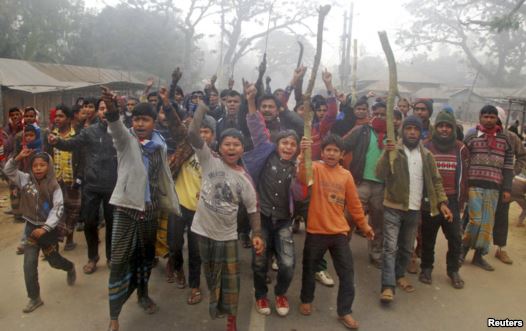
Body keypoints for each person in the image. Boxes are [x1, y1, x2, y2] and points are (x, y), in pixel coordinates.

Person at [101, 88, 181, 331]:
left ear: (154, 122)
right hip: (126, 209)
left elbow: (162, 175)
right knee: (119, 261)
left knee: (146, 258)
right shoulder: (127, 141)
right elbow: (116, 129)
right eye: (136, 119)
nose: (139, 123)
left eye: (144, 119)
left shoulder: (160, 144)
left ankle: (143, 295)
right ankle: (114, 315)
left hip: (152, 209)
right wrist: (114, 111)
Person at [188, 101, 264, 331]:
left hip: (227, 236)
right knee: (211, 277)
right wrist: (202, 108)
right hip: (201, 230)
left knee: (231, 282)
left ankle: (232, 321)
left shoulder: (244, 178)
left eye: (236, 144)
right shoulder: (208, 160)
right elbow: (192, 132)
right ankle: (217, 305)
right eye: (227, 144)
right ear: (219, 147)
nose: (231, 148)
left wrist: (257, 233)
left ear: (243, 148)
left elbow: (253, 209)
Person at [298, 134, 374, 330]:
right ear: (322, 152)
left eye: (335, 151)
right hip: (316, 232)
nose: (331, 153)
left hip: (339, 233)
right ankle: (306, 299)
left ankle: (345, 311)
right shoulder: (315, 168)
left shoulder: (346, 176)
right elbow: (301, 177)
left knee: (347, 273)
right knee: (309, 269)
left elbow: (355, 204)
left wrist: (364, 226)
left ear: (342, 155)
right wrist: (303, 152)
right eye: (328, 150)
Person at [376, 115, 451, 303]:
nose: (412, 132)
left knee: (407, 249)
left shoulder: (426, 156)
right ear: (402, 130)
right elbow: (379, 173)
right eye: (408, 128)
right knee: (390, 247)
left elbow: (436, 181)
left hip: (414, 209)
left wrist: (442, 203)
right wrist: (386, 153)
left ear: (421, 132)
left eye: (416, 129)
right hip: (393, 206)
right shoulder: (394, 151)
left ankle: (399, 275)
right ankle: (387, 286)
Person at [243, 83, 300, 317]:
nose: (288, 147)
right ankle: (260, 296)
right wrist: (250, 100)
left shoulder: (299, 168)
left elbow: (303, 194)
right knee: (259, 262)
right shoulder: (266, 154)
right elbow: (257, 127)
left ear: (297, 148)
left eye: (292, 144)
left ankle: (280, 292)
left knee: (287, 264)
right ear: (277, 145)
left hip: (284, 221)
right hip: (262, 219)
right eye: (284, 143)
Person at [48, 99, 118, 274]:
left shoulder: (120, 132)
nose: (103, 112)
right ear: (97, 112)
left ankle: (111, 257)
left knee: (111, 223)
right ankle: (92, 258)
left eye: (107, 108)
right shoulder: (89, 132)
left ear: (114, 111)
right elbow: (72, 144)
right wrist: (57, 142)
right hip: (91, 185)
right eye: (101, 109)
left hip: (113, 186)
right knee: (89, 223)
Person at [4, 150, 76, 313]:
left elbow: (58, 209)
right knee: (29, 264)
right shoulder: (25, 179)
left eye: (42, 165)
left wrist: (44, 228)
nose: (38, 168)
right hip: (30, 227)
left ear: (48, 166)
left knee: (53, 261)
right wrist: (17, 158)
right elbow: (8, 170)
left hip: (47, 231)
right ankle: (34, 298)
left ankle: (70, 267)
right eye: (35, 165)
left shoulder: (54, 186)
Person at [161, 87, 212, 305]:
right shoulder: (185, 146)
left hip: (200, 211)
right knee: (173, 245)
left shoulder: (216, 158)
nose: (202, 134)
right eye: (199, 130)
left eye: (207, 131)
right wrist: (166, 103)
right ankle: (177, 267)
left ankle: (194, 286)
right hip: (178, 205)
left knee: (196, 251)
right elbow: (174, 124)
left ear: (213, 135)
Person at [461, 105, 514, 271]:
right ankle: (462, 252)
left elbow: (507, 165)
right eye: (486, 116)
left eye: (492, 117)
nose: (489, 120)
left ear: (497, 118)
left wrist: (506, 189)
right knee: (475, 221)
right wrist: (463, 185)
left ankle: (478, 256)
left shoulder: (505, 138)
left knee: (487, 224)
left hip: (494, 187)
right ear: (480, 117)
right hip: (474, 185)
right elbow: (463, 160)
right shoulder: (471, 135)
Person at [420, 110, 469, 289]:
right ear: (435, 127)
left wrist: (462, 201)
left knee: (455, 237)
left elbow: (465, 176)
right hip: (430, 200)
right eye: (441, 125)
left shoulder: (461, 148)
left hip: (452, 200)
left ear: (453, 128)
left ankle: (453, 270)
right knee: (428, 236)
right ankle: (426, 268)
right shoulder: (425, 146)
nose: (444, 129)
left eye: (448, 126)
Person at [343, 100, 388, 269]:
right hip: (361, 182)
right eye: (376, 114)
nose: (379, 117)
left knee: (378, 221)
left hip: (381, 185)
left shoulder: (393, 135)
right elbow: (343, 144)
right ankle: (342, 248)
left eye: (383, 115)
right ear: (371, 114)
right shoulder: (362, 131)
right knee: (351, 216)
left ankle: (376, 253)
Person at [492, 107, 526, 265]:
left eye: (495, 118)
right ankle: (465, 248)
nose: (492, 121)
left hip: (503, 184)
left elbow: (522, 156)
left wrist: (512, 173)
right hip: (481, 183)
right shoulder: (478, 134)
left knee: (501, 216)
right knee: (473, 216)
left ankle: (501, 249)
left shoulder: (511, 137)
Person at [48, 105, 82, 251]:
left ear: (69, 119)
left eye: (61, 116)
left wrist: (79, 177)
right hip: (55, 180)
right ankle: (53, 243)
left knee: (72, 210)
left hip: (71, 179)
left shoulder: (77, 136)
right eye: (56, 116)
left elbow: (82, 158)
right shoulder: (50, 136)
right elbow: (47, 156)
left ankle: (69, 239)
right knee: (55, 211)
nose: (57, 119)